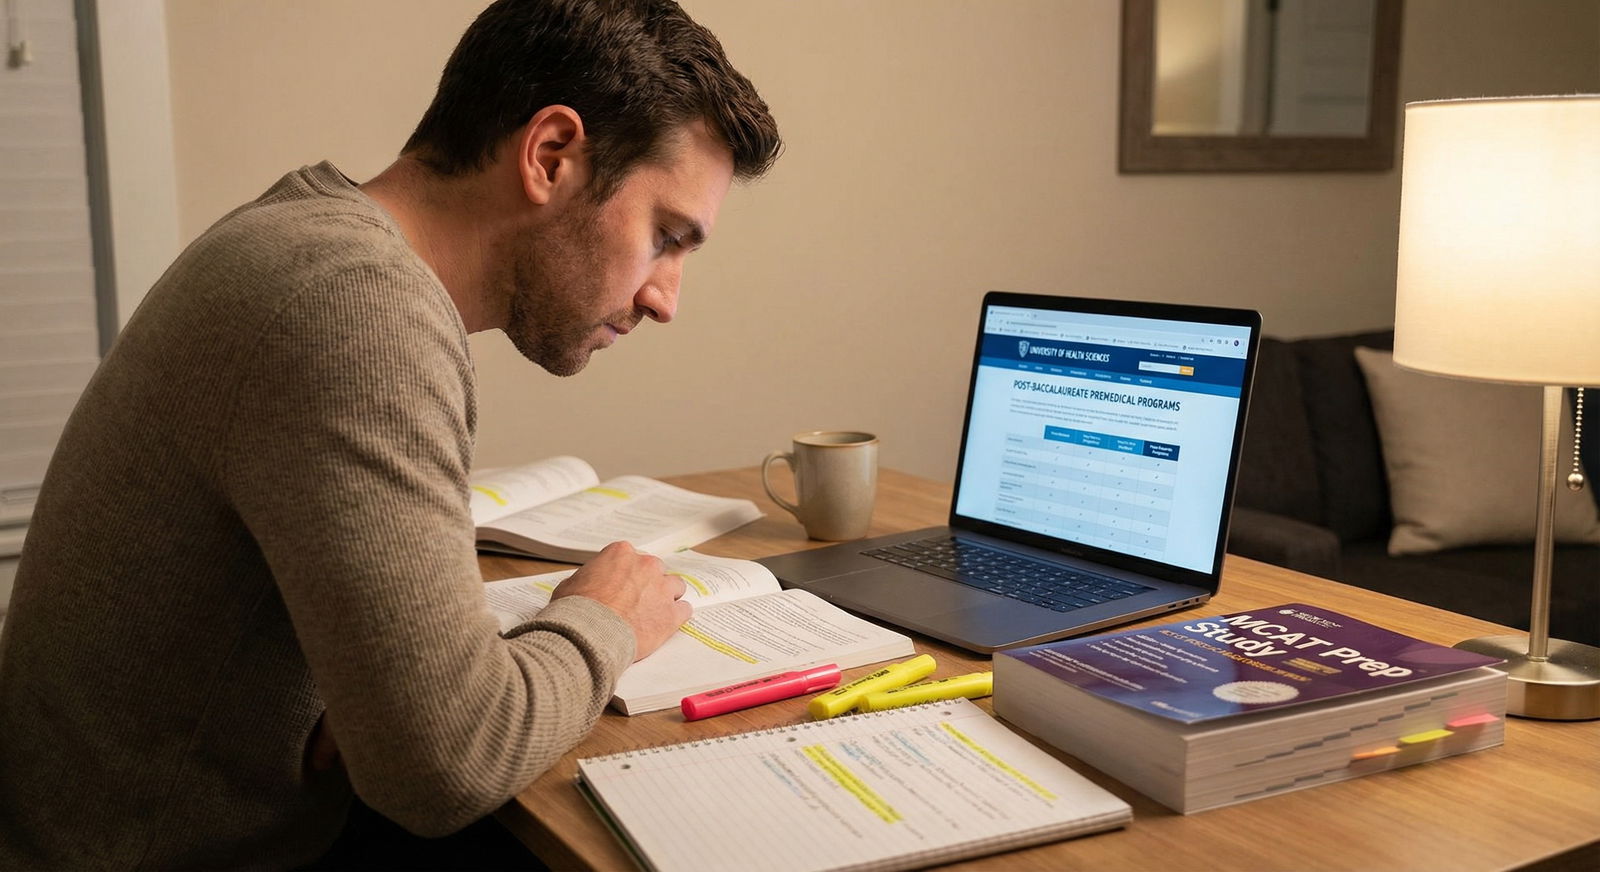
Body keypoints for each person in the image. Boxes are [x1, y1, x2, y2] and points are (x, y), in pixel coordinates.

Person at [0, 0, 781, 867]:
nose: (665, 299)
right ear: (551, 155)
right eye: (666, 237)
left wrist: (357, 694)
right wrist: (604, 623)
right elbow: (446, 767)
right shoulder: (354, 306)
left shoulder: (306, 241)